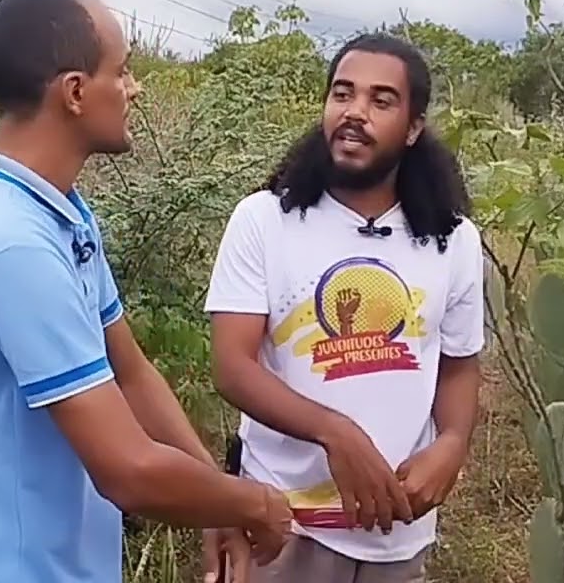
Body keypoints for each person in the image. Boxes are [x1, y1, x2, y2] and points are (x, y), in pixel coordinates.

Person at [0, 0, 292, 583]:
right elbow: (126, 470)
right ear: (74, 92)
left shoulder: (61, 216)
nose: (134, 88)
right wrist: (252, 504)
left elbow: (130, 373)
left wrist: (215, 501)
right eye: (121, 72)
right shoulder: (10, 244)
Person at [204, 32, 485, 582]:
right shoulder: (265, 220)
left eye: (381, 101)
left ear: (412, 128)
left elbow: (459, 365)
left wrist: (451, 444)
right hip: (284, 527)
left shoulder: (453, 238)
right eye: (342, 94)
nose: (355, 112)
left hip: (398, 531)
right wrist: (337, 433)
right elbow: (232, 368)